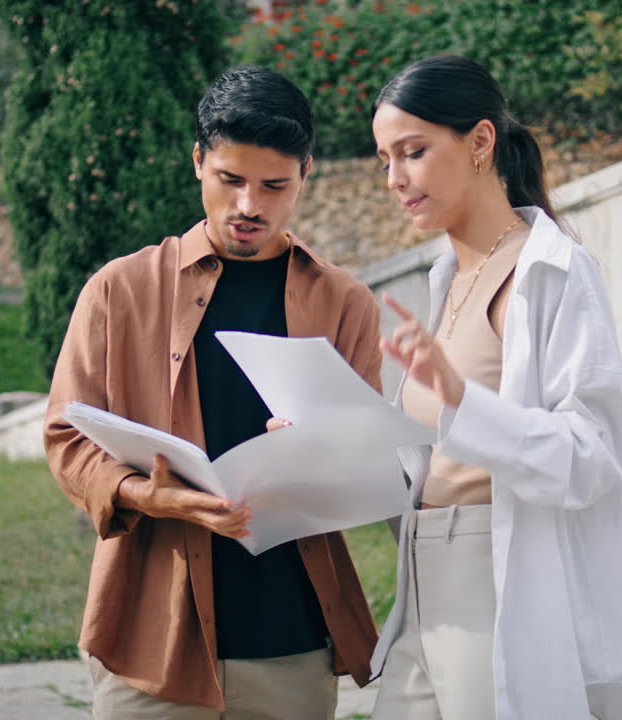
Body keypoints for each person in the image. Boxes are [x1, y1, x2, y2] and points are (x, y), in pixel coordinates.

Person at [43, 65, 383, 719]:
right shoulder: (120, 291)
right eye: (230, 180)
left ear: (306, 174)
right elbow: (66, 436)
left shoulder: (346, 303)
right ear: (198, 160)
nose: (250, 205)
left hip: (292, 639)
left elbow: (366, 462)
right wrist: (150, 495)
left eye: (274, 185)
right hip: (151, 638)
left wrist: (328, 454)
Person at [368, 55, 622, 720]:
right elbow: (431, 457)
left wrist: (460, 397)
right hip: (420, 587)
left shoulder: (554, 272)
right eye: (384, 160)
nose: (394, 180)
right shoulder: (447, 276)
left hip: (497, 584)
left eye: (413, 152)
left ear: (480, 142)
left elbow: (594, 452)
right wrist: (332, 439)